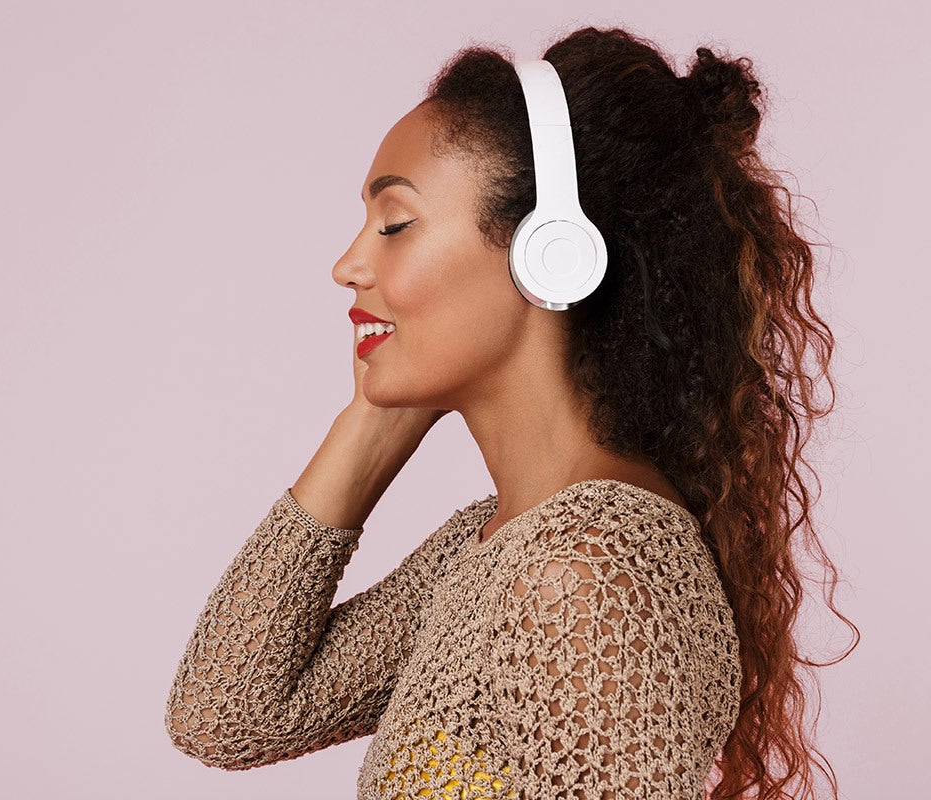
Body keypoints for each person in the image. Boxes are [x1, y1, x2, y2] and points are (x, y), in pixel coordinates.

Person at [165, 25, 858, 800]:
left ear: (548, 253)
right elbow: (226, 714)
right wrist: (372, 421)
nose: (349, 265)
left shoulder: (584, 572)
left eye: (394, 224)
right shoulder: (501, 546)